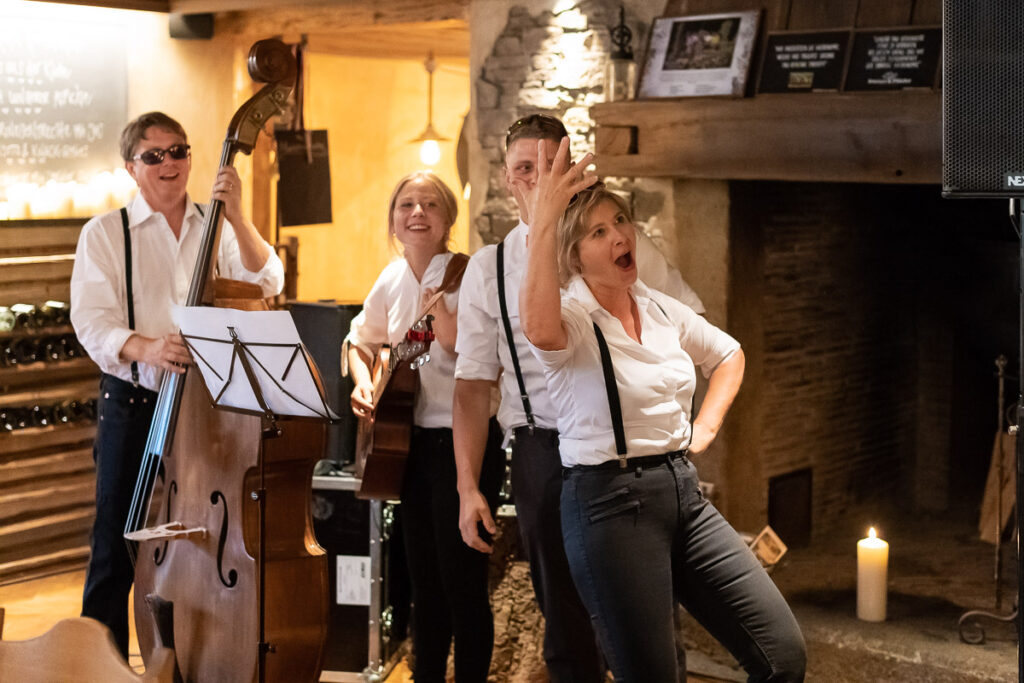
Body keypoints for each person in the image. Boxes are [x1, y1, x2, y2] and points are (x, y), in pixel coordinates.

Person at [517, 137, 807, 682]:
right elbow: (537, 327)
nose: (619, 235)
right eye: (597, 232)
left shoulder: (655, 305)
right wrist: (546, 216)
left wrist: (706, 425)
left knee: (781, 654)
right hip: (608, 505)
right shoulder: (574, 319)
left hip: (682, 493)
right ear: (574, 255)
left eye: (620, 221)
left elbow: (729, 355)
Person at [453, 113, 705, 682]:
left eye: (552, 166)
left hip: (628, 454)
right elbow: (472, 387)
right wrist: (468, 486)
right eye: (526, 168)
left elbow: (692, 325)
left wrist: (671, 426)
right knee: (564, 624)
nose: (539, 180)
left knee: (649, 616)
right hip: (544, 451)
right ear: (505, 177)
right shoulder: (488, 269)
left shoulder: (616, 245)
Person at [70, 111, 285, 659]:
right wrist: (147, 347)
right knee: (114, 546)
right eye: (154, 155)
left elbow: (268, 279)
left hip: (205, 410)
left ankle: (191, 657)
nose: (170, 163)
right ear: (131, 168)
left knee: (201, 539)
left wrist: (236, 216)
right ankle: (103, 665)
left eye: (179, 151)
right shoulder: (105, 232)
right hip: (137, 403)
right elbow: (91, 321)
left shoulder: (212, 224)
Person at [346, 171, 503, 683]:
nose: (417, 213)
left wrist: (439, 310)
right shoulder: (391, 278)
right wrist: (362, 384)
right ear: (393, 218)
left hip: (466, 445)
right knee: (422, 585)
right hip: (409, 446)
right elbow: (358, 341)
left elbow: (466, 352)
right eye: (406, 204)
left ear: (447, 219)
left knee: (463, 586)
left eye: (430, 204)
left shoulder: (468, 273)